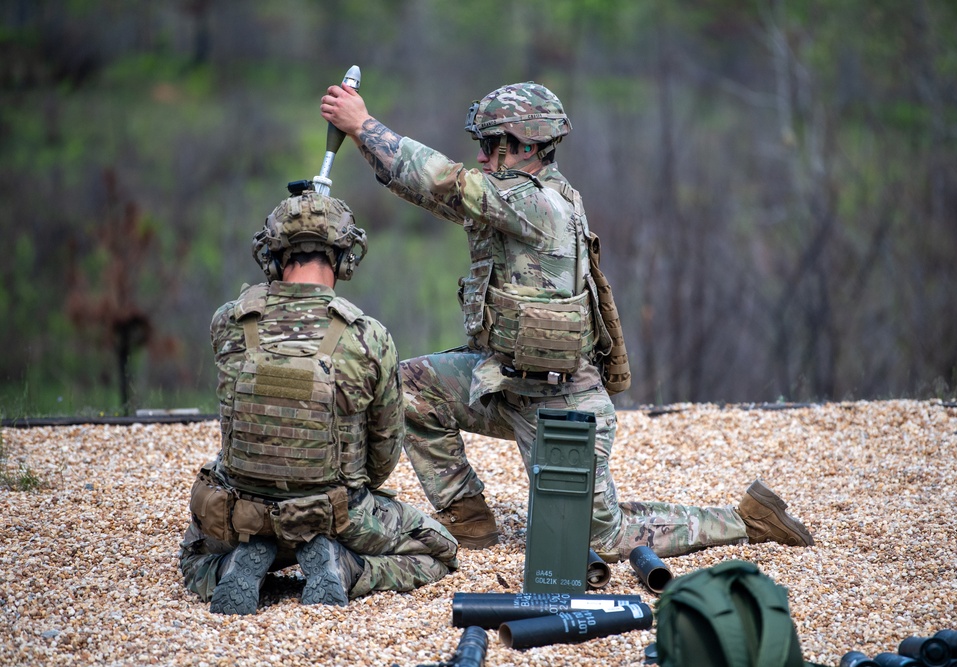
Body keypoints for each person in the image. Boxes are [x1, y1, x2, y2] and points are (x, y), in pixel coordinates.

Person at [319, 81, 814, 561]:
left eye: (493, 147)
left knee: (602, 539)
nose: (483, 158)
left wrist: (364, 125)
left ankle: (745, 520)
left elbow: (443, 181)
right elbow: (432, 193)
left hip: (562, 405)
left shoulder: (538, 204)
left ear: (528, 146)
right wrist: (366, 141)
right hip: (506, 385)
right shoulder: (516, 199)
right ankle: (467, 517)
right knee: (412, 388)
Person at [178, 185, 459, 615]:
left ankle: (240, 561)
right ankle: (344, 566)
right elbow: (384, 453)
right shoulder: (368, 336)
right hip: (334, 512)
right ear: (346, 258)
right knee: (439, 550)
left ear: (272, 255)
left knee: (194, 559)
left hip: (242, 513)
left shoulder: (229, 322)